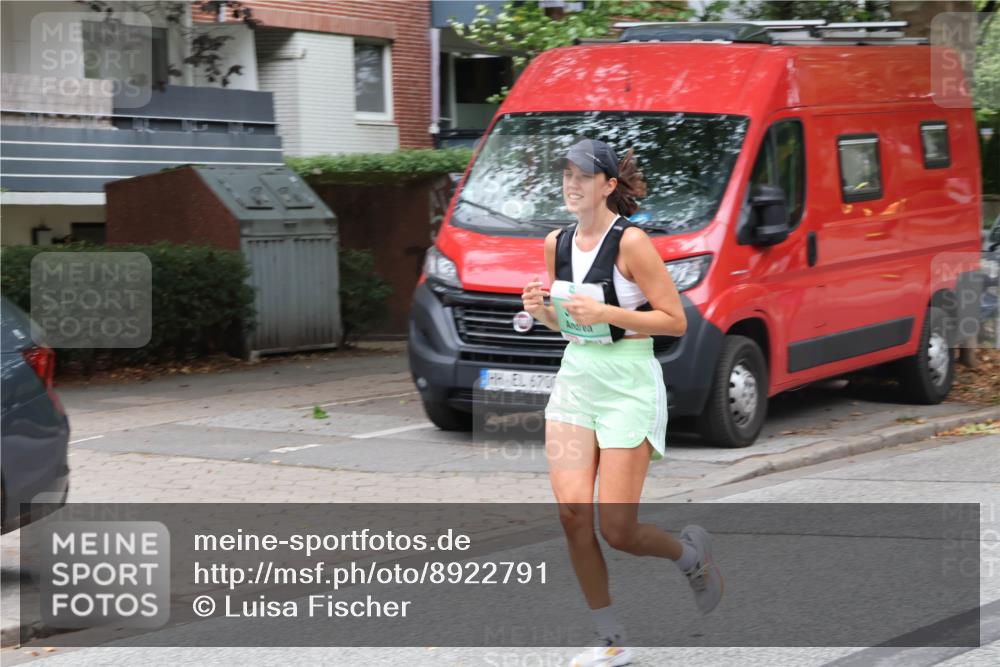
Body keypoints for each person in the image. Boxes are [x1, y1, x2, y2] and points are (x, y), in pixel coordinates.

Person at [520, 139, 724, 667]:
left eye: (584, 176)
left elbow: (674, 321)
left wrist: (609, 314)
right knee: (570, 515)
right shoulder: (556, 244)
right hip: (578, 378)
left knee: (618, 530)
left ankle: (690, 557)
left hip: (629, 382)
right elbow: (570, 324)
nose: (572, 184)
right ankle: (610, 639)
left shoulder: (632, 243)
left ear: (609, 185)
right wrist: (543, 310)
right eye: (567, 174)